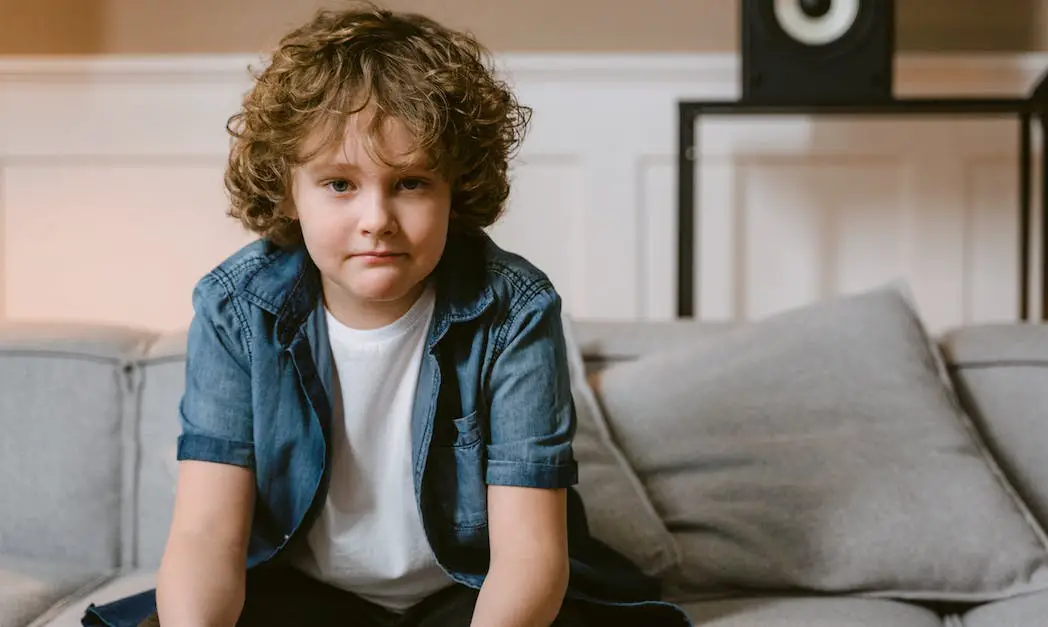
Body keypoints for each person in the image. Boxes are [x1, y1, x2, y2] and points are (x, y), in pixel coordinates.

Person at [81, 3, 690, 626]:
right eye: (340, 184)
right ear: (288, 190)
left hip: (474, 591)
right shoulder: (237, 308)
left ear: (457, 189)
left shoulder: (515, 309)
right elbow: (207, 536)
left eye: (411, 183)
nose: (376, 219)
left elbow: (530, 554)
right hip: (303, 593)